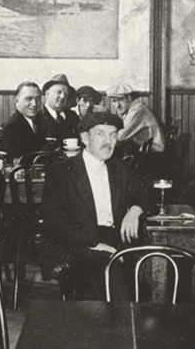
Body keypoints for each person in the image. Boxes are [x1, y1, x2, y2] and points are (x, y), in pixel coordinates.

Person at [40, 109, 154, 300]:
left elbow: (146, 189)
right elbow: (56, 224)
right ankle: (118, 325)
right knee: (109, 270)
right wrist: (95, 244)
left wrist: (135, 210)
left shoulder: (119, 168)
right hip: (71, 248)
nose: (108, 142)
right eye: (100, 134)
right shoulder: (61, 172)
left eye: (113, 135)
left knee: (144, 274)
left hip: (113, 240)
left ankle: (110, 323)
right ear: (85, 138)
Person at [108, 82, 167, 165]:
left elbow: (120, 138)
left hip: (153, 155)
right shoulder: (133, 108)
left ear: (129, 98)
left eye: (120, 100)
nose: (117, 105)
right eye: (114, 101)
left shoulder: (137, 110)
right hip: (147, 152)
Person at [0, 80, 48, 159]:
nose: (34, 104)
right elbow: (15, 160)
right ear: (17, 102)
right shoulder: (12, 126)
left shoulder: (38, 121)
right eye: (28, 99)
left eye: (38, 99)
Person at [40, 75, 78, 142]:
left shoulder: (73, 116)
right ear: (47, 94)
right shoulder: (37, 116)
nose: (63, 97)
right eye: (59, 92)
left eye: (66, 94)